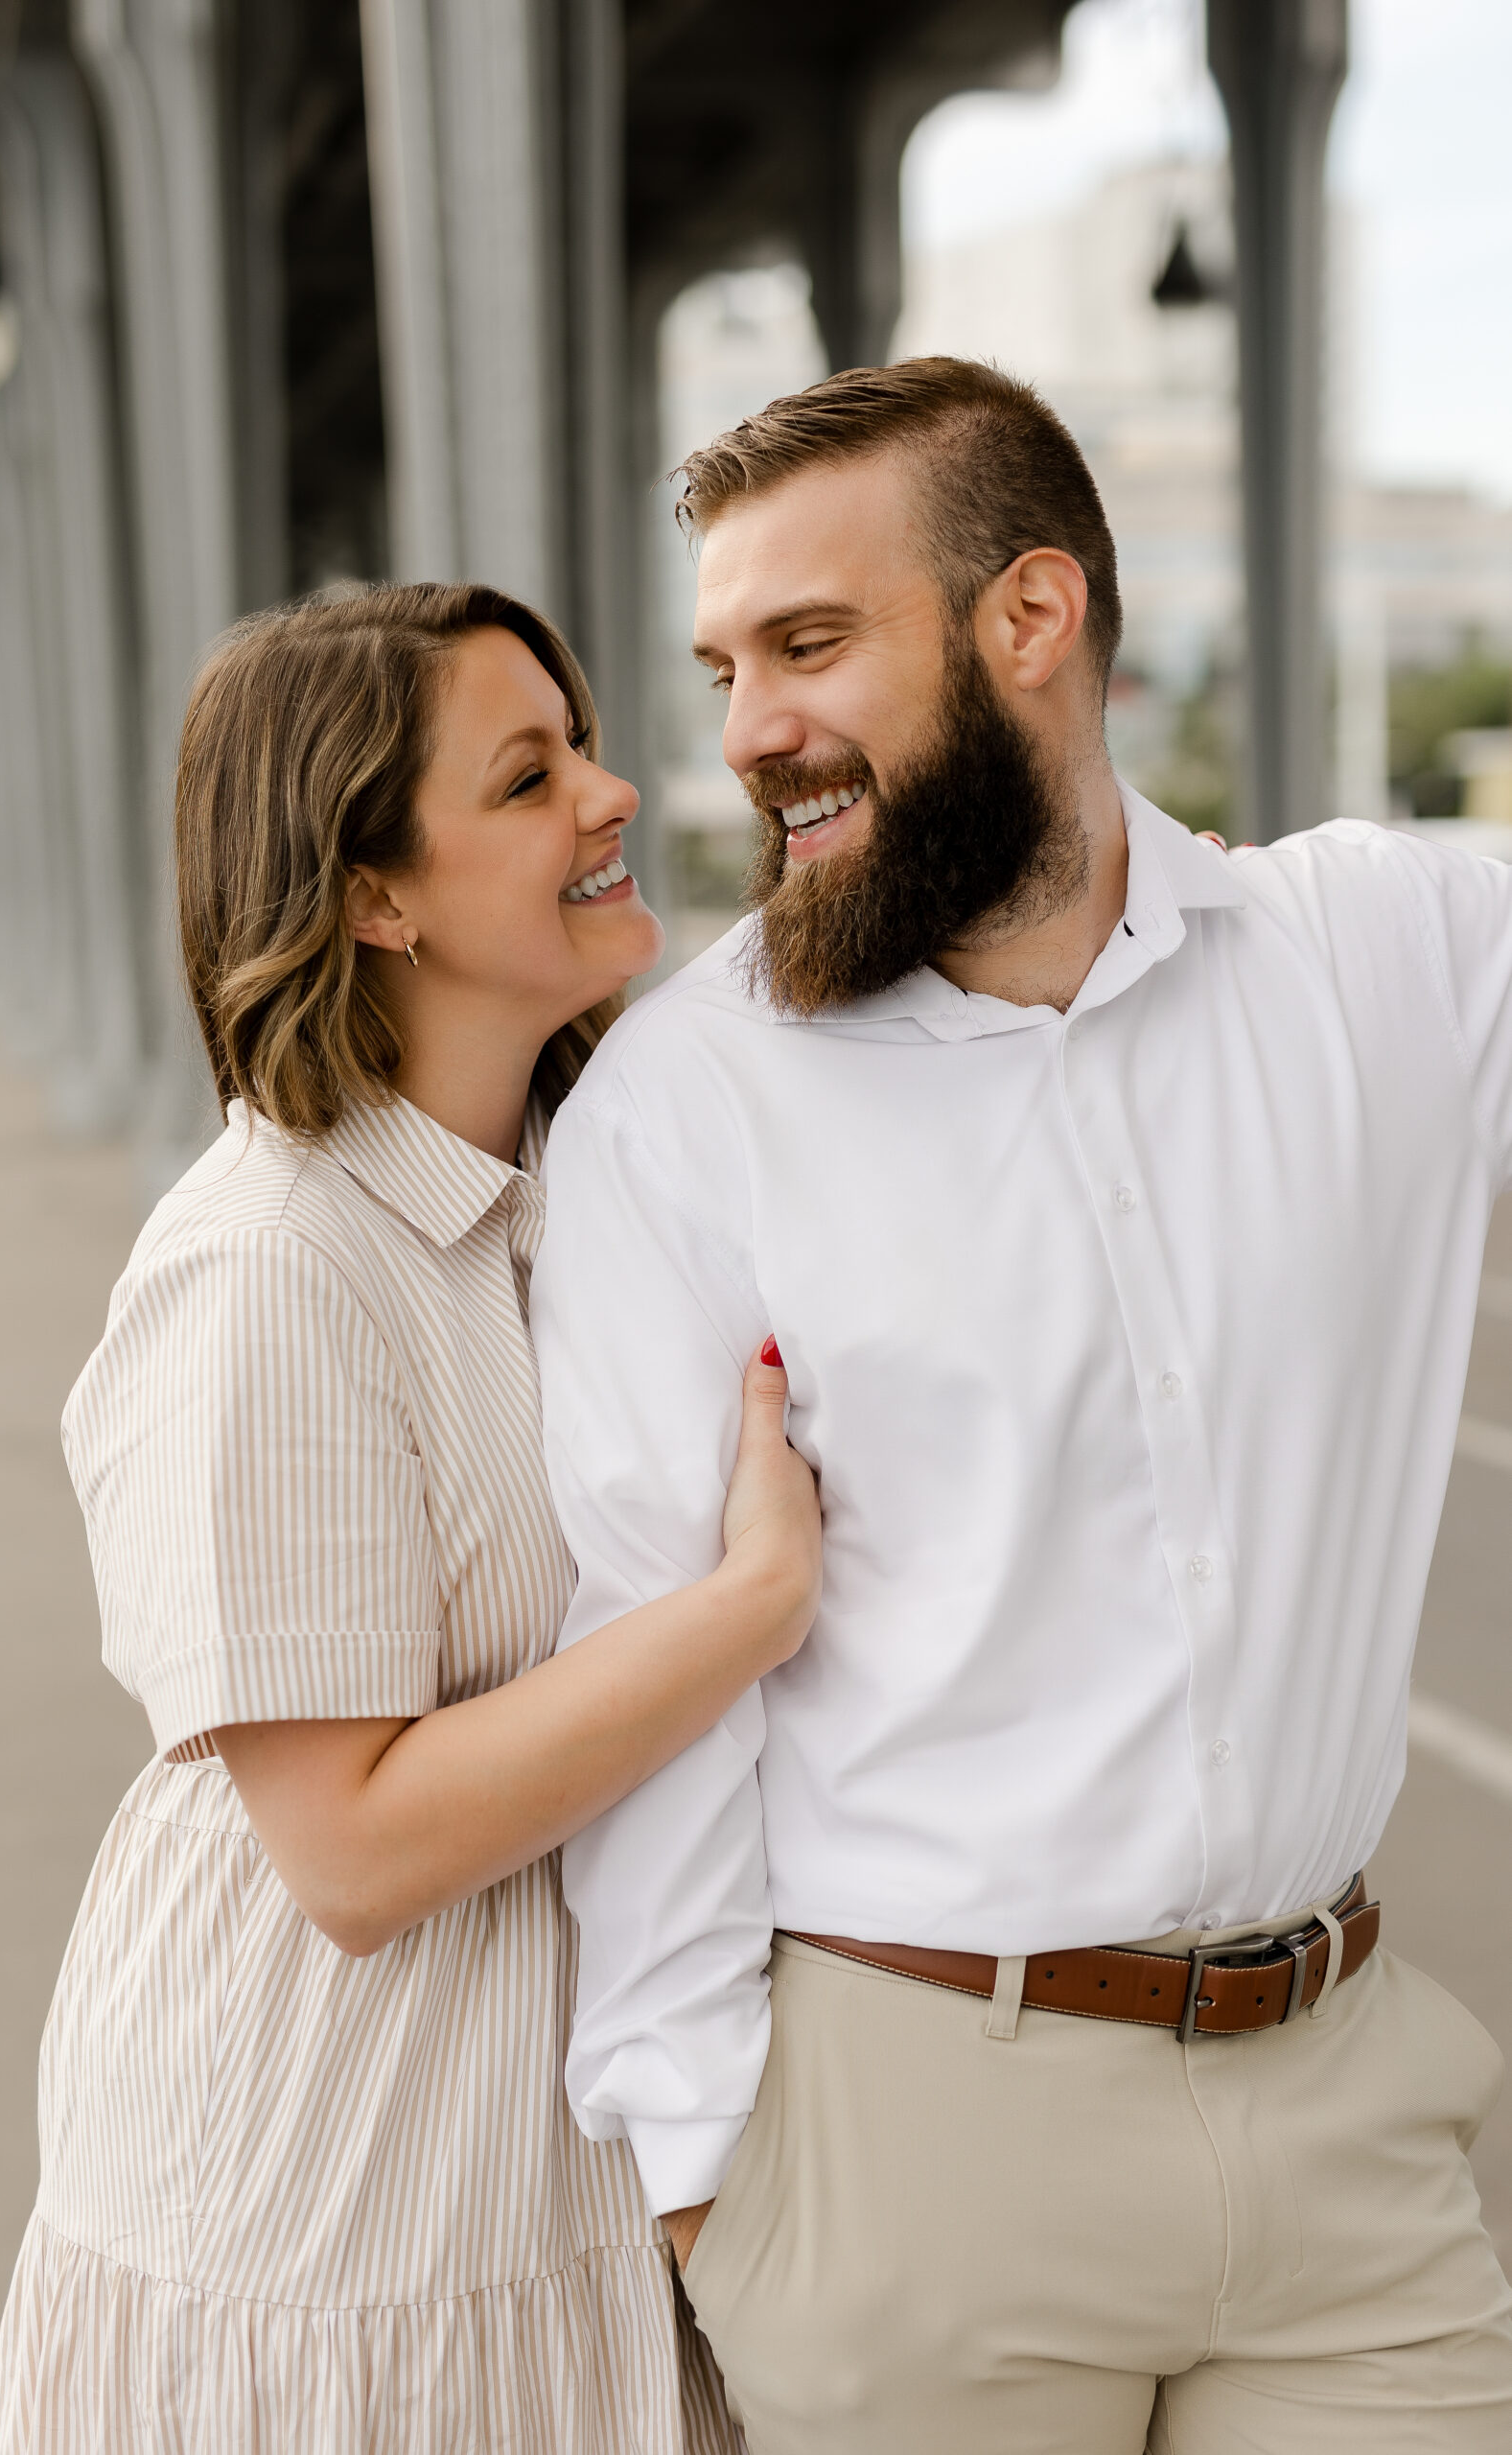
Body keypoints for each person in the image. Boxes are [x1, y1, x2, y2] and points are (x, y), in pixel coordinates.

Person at [530, 358, 1512, 2451]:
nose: (745, 731)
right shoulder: (684, 1110)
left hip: (1347, 2106)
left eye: (809, 643)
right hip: (917, 2148)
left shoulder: (1384, 962)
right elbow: (649, 1664)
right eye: (722, 662)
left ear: (1029, 619)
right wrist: (711, 2185)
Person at [0, 580, 821, 2454]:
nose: (608, 796)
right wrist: (748, 1600)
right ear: (374, 892)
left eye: (583, 744)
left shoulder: (587, 1195)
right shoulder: (267, 1269)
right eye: (528, 777)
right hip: (341, 2207)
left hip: (581, 2174)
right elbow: (346, 1844)